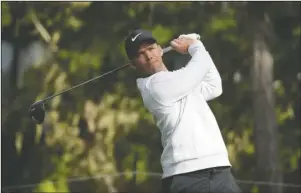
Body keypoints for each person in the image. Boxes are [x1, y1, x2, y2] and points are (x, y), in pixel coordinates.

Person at [124, 29, 241, 193]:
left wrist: (196, 46)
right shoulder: (154, 86)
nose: (149, 56)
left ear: (159, 49)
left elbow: (214, 86)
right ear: (133, 64)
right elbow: (199, 67)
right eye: (140, 54)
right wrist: (195, 46)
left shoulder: (179, 82)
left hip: (219, 170)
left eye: (150, 49)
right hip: (188, 175)